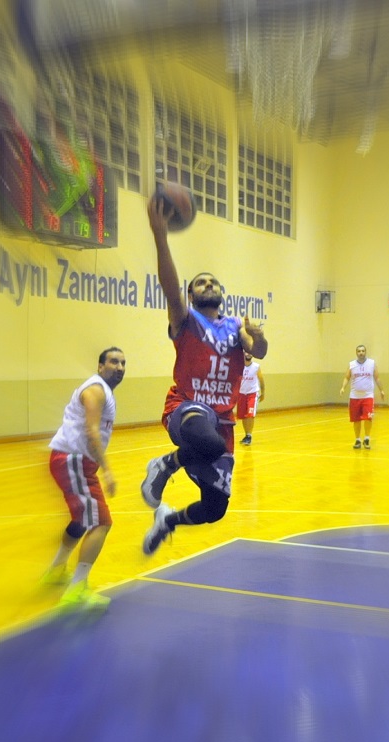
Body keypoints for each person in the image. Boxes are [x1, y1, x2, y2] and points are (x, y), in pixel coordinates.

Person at [139, 195, 268, 555]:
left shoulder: (235, 326)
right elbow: (169, 288)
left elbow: (258, 351)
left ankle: (168, 521)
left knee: (215, 509)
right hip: (187, 406)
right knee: (209, 444)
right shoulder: (186, 320)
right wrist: (160, 236)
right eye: (200, 282)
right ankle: (165, 464)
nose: (208, 285)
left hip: (222, 419)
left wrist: (258, 336)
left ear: (222, 293)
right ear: (191, 294)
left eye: (213, 282)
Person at [42, 347, 126, 611]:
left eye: (123, 363)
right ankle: (77, 590)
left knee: (81, 519)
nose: (120, 367)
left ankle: (56, 570)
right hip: (74, 460)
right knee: (101, 523)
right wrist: (107, 470)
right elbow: (91, 431)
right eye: (114, 362)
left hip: (72, 461)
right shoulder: (96, 390)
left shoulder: (104, 390)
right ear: (100, 366)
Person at [339, 344, 385, 449]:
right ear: (356, 353)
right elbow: (347, 377)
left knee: (368, 418)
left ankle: (367, 439)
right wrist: (343, 387)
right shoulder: (351, 365)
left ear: (365, 352)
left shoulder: (372, 363)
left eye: (363, 351)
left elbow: (377, 378)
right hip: (354, 396)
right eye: (359, 351)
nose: (361, 353)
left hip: (368, 396)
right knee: (356, 420)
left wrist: (381, 390)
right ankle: (357, 440)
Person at [237, 352, 265, 446]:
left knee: (250, 414)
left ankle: (249, 435)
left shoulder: (256, 367)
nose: (249, 354)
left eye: (251, 353)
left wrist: (263, 393)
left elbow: (261, 380)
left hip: (252, 393)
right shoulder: (239, 366)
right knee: (243, 415)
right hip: (241, 393)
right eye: (247, 352)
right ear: (243, 353)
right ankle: (246, 435)